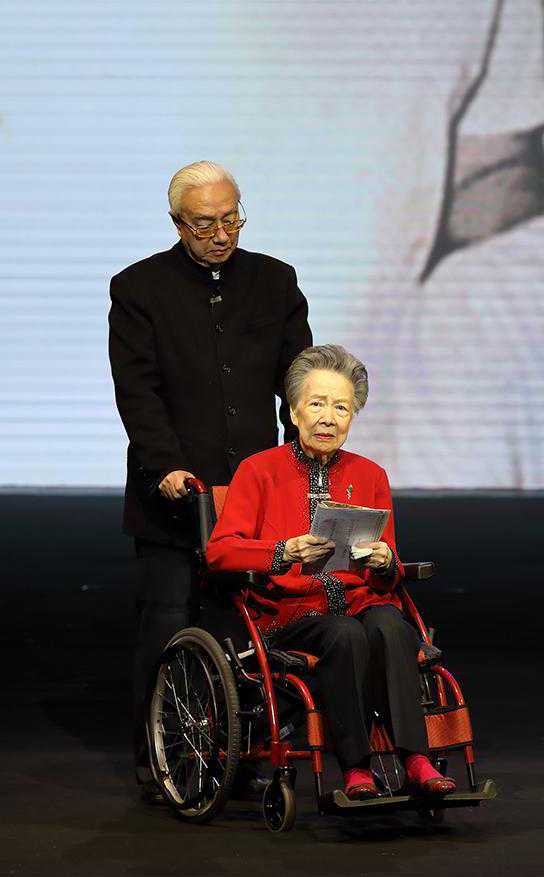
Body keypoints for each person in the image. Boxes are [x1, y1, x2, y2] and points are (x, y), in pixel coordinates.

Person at [108, 161, 312, 789]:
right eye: (205, 225)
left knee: (244, 627)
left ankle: (239, 752)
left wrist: (300, 457)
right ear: (177, 223)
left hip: (251, 492)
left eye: (231, 219)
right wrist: (165, 465)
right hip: (173, 490)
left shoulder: (275, 281)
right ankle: (160, 754)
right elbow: (137, 391)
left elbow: (297, 380)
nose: (221, 234)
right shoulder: (139, 288)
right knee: (167, 620)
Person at [206, 344, 456, 799]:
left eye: (341, 407)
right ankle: (356, 767)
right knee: (345, 634)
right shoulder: (258, 471)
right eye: (317, 404)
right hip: (292, 614)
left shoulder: (371, 475)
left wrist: (385, 561)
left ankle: (415, 759)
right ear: (294, 411)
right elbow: (220, 552)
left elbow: (388, 573)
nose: (328, 418)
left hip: (361, 601)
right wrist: (283, 551)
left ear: (352, 416)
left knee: (391, 626)